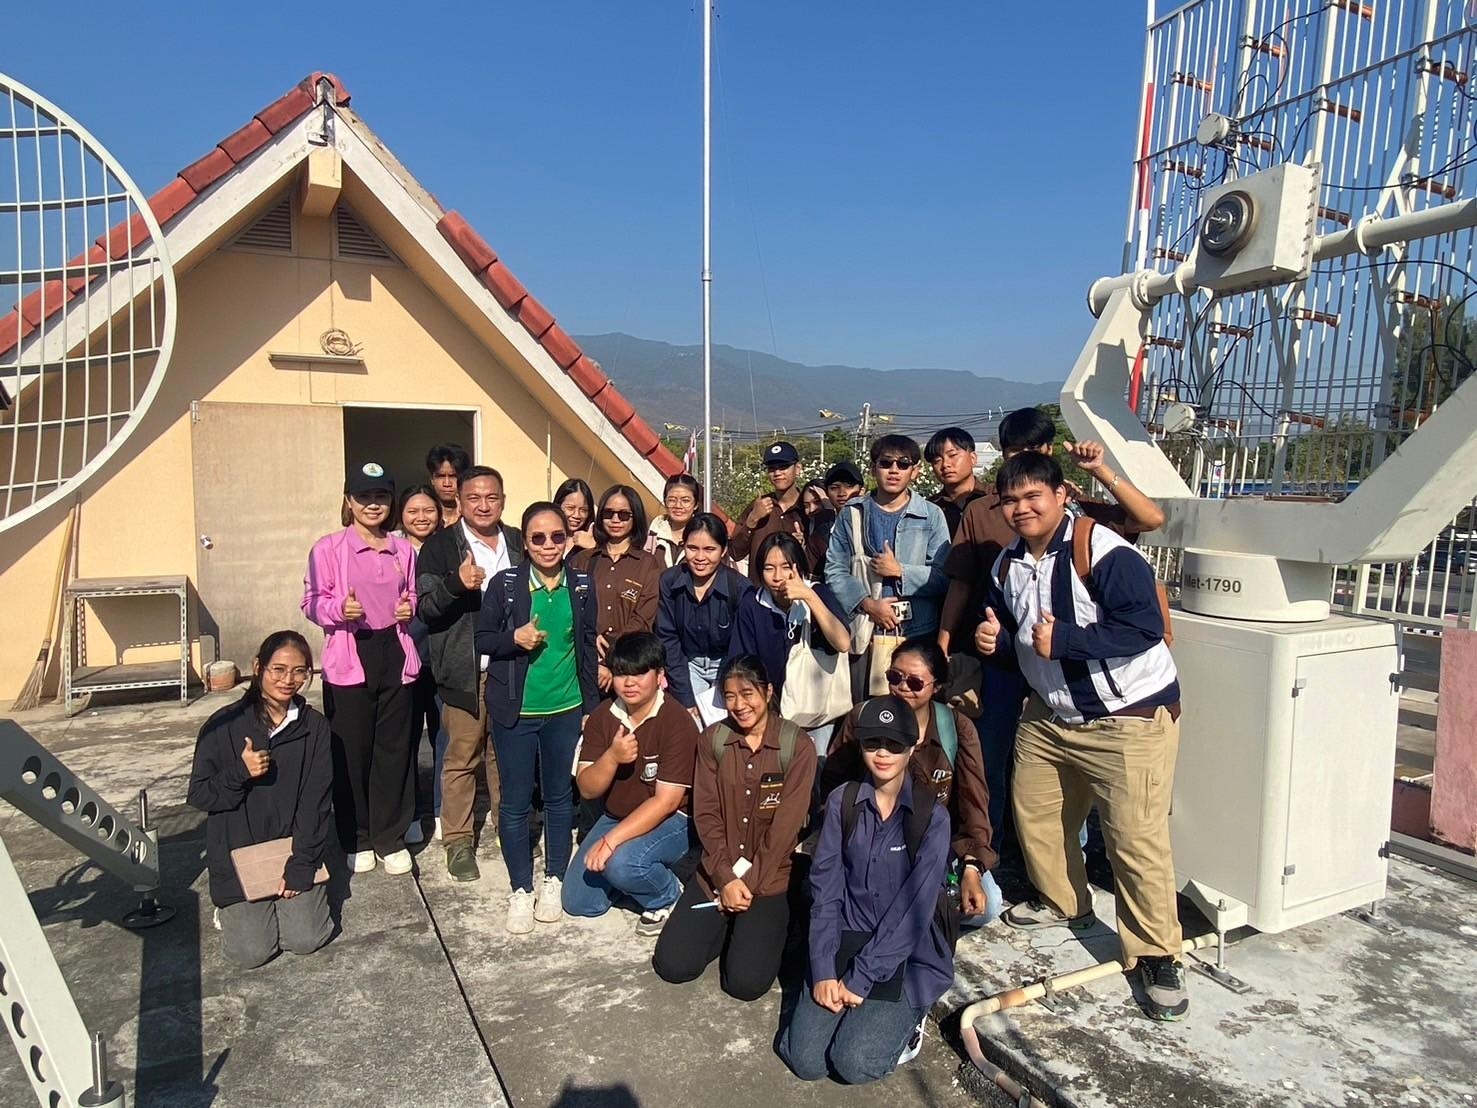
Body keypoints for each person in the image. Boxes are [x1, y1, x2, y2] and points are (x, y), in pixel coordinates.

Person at [974, 451, 1187, 1020]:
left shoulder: (1105, 551)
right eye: (1011, 500)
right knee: (1038, 815)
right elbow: (1011, 631)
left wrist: (1067, 641)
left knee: (1135, 840)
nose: (1021, 509)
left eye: (1032, 496)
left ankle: (1156, 953)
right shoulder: (1007, 565)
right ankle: (1064, 902)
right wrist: (994, 641)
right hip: (1050, 713)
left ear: (1060, 495)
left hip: (1127, 716)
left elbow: (1145, 628)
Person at [938, 406, 1165, 846]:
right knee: (994, 754)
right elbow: (963, 584)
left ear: (1049, 455)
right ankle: (990, 848)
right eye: (1011, 451)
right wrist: (953, 642)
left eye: (1030, 449)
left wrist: (1099, 470)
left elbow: (1150, 520)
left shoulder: (1077, 514)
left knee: (1074, 778)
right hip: (1011, 656)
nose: (1020, 508)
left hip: (1082, 674)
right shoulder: (985, 510)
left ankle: (1074, 848)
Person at [777, 696, 952, 1085]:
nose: (883, 753)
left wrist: (861, 976)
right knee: (805, 1060)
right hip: (845, 940)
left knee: (853, 1062)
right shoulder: (843, 802)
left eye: (894, 744)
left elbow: (913, 913)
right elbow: (825, 892)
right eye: (873, 742)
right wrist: (823, 968)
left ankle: (909, 1020)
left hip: (908, 956)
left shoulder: (932, 818)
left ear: (912, 747)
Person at [652, 655, 817, 1000]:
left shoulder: (797, 746)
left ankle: (770, 924)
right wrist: (726, 879)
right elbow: (707, 815)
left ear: (768, 692)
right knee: (673, 964)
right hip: (717, 870)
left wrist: (747, 884)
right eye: (729, 696)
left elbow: (785, 829)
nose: (739, 705)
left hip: (769, 877)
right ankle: (729, 924)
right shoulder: (713, 740)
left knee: (744, 984)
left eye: (747, 694)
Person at [475, 501, 600, 933]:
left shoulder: (581, 585)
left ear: (568, 539)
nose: (549, 545)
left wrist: (590, 708)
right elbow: (482, 638)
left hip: (565, 709)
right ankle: (520, 888)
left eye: (557, 536)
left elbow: (586, 646)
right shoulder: (506, 585)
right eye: (538, 537)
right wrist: (514, 637)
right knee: (514, 802)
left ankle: (553, 879)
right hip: (516, 711)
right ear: (525, 543)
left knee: (559, 797)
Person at [822, 638, 1001, 925]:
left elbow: (974, 802)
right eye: (895, 677)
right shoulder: (862, 717)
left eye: (916, 682)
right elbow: (834, 782)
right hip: (871, 840)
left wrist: (972, 866)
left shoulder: (956, 728)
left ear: (937, 686)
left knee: (987, 905)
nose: (903, 687)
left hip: (934, 844)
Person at [188, 630, 334, 969]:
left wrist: (301, 865)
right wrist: (239, 772)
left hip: (291, 848)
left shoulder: (314, 728)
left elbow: (315, 804)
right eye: (278, 670)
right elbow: (200, 794)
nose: (288, 680)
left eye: (299, 671)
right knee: (252, 953)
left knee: (306, 939)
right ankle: (231, 912)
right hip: (238, 853)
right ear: (258, 667)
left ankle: (284, 904)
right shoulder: (222, 725)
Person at [302, 460, 419, 876]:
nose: (373, 504)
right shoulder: (327, 549)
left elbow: (411, 595)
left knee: (394, 748)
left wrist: (409, 608)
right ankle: (357, 836)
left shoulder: (403, 550)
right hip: (351, 655)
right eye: (364, 496)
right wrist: (339, 609)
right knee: (352, 751)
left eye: (381, 496)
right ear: (349, 501)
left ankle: (390, 836)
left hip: (394, 652)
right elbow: (311, 602)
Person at [416, 466, 526, 882]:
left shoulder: (516, 541)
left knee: (505, 755)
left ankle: (507, 826)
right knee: (462, 757)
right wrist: (455, 584)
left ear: (503, 500)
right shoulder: (441, 546)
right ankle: (458, 840)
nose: (483, 505)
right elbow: (426, 608)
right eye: (474, 498)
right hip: (466, 670)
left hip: (511, 667)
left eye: (491, 497)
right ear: (459, 502)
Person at [563, 632, 700, 935]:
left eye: (639, 673)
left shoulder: (677, 722)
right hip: (617, 815)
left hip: (674, 819)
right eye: (621, 673)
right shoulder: (602, 717)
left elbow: (666, 801)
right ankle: (631, 877)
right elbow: (587, 788)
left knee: (622, 864)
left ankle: (667, 895)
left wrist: (610, 842)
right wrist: (612, 757)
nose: (629, 683)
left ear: (660, 676)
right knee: (578, 901)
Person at [824, 434, 951, 643]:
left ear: (915, 471)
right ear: (873, 469)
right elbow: (835, 569)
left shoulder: (931, 515)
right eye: (885, 463)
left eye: (903, 464)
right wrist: (867, 604)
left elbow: (943, 576)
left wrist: (900, 571)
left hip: (918, 632)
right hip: (865, 630)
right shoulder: (852, 512)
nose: (894, 470)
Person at [731, 533, 851, 747]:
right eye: (769, 568)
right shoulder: (753, 604)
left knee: (815, 762)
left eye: (786, 567)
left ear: (799, 566)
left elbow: (842, 643)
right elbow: (742, 660)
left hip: (816, 711)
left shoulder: (819, 593)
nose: (778, 577)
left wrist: (808, 596)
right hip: (771, 710)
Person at [655, 513, 751, 728]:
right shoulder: (670, 581)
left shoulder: (740, 587)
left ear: (723, 550)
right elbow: (667, 637)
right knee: (689, 727)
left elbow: (742, 644)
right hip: (687, 664)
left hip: (728, 665)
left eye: (709, 549)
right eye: (692, 548)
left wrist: (728, 685)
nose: (700, 557)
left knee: (724, 730)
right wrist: (685, 696)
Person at [571, 485, 664, 691]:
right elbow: (571, 608)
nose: (615, 520)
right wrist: (592, 639)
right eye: (609, 513)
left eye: (623, 515)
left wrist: (609, 658)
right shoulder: (583, 560)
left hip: (629, 666)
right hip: (586, 663)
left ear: (635, 518)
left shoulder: (648, 564)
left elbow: (643, 619)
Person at [394, 484, 443, 847]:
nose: (421, 517)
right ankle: (409, 813)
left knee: (445, 738)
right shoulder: (390, 550)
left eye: (428, 510)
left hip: (443, 657)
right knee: (405, 739)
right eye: (413, 511)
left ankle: (441, 810)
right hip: (403, 658)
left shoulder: (449, 547)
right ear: (401, 515)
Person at [729, 441, 827, 582]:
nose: (777, 473)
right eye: (771, 469)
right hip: (760, 591)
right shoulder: (758, 506)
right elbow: (735, 553)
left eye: (784, 467)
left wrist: (802, 547)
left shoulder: (809, 509)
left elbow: (824, 558)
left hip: (798, 591)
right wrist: (752, 520)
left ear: (798, 468)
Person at [924, 427, 988, 537]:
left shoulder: (996, 499)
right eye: (937, 460)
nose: (945, 464)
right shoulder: (929, 509)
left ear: (973, 458)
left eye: (952, 455)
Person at [645, 474, 702, 568]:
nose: (678, 506)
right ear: (665, 502)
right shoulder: (650, 537)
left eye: (685, 501)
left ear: (696, 505)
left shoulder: (704, 537)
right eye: (672, 500)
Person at [427, 443, 472, 528]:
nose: (447, 484)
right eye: (441, 476)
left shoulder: (476, 516)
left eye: (453, 476)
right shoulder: (424, 519)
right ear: (432, 479)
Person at [555, 477, 597, 555]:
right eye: (570, 508)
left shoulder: (598, 540)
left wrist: (593, 547)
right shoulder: (546, 537)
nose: (576, 515)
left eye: (583, 510)